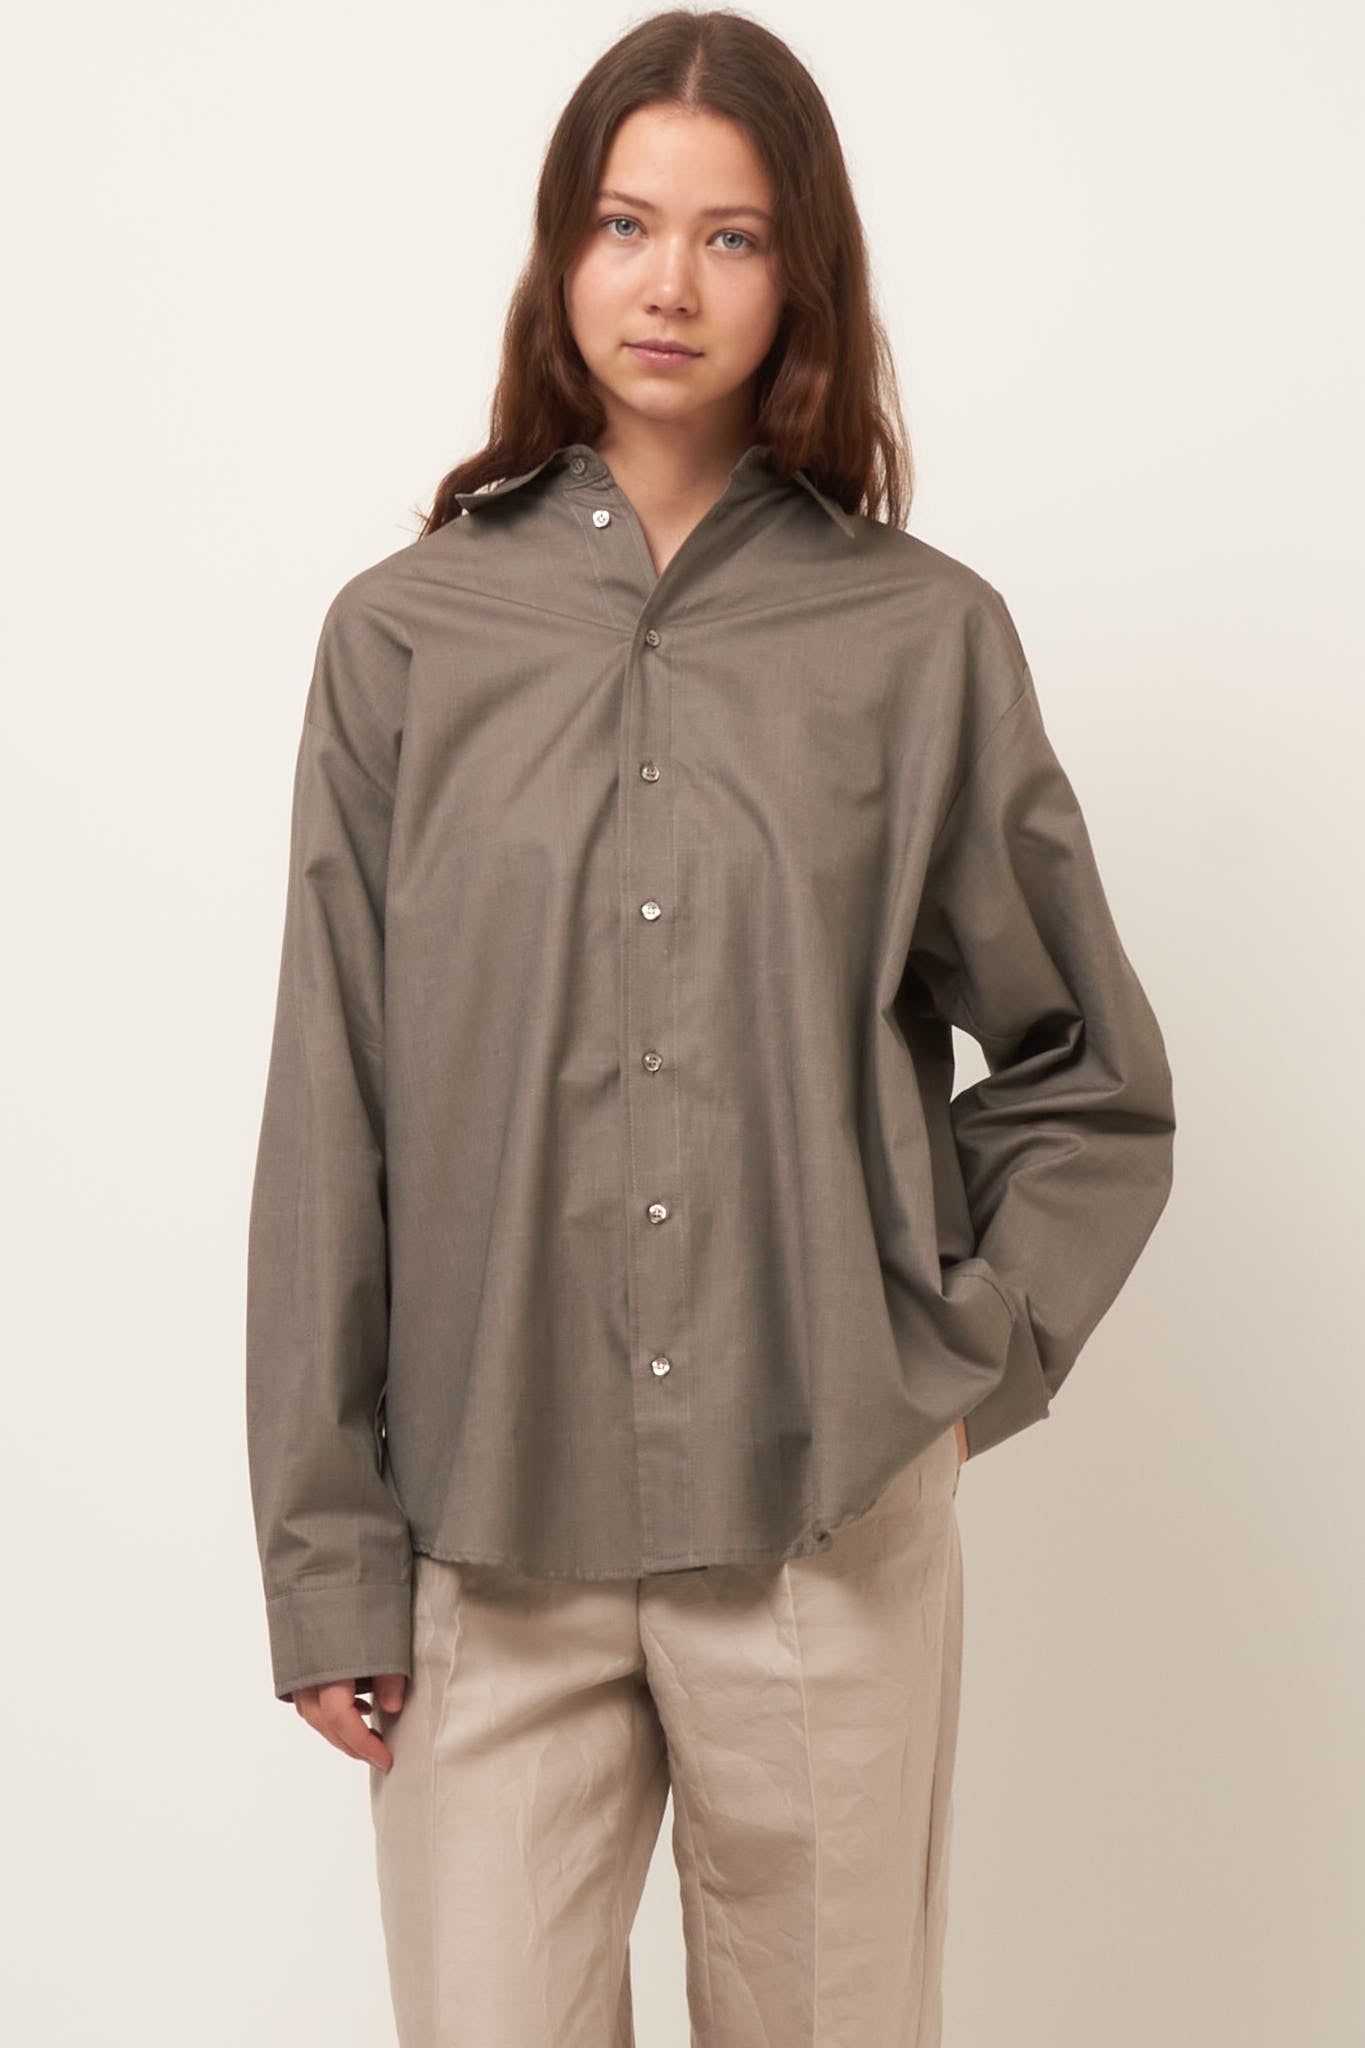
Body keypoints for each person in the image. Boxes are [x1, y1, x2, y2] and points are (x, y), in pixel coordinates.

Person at [245, 10, 1176, 2044]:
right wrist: (326, 1556)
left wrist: (954, 1375)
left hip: (822, 1524)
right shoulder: (403, 640)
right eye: (621, 223)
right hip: (482, 1541)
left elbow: (1086, 1077)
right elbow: (334, 1108)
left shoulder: (918, 641)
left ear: (799, 271)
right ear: (556, 254)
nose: (666, 283)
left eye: (729, 235)